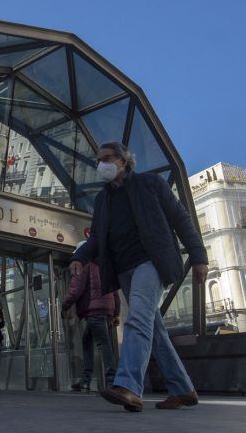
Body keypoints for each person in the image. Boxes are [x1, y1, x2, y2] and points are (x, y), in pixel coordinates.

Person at [71, 142, 207, 412]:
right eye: (99, 160)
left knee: (138, 319)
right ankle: (183, 389)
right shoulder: (103, 199)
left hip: (152, 263)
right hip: (123, 270)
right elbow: (97, 237)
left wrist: (199, 255)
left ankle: (129, 386)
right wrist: (80, 257)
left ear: (124, 161)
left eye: (108, 158)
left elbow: (180, 218)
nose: (102, 165)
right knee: (154, 330)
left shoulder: (150, 184)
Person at [62, 251, 119, 392]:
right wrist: (115, 314)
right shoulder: (105, 266)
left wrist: (65, 305)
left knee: (103, 345)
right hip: (106, 311)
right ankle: (86, 380)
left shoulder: (85, 266)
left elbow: (76, 289)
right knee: (87, 341)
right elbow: (116, 293)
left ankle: (112, 381)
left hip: (94, 311)